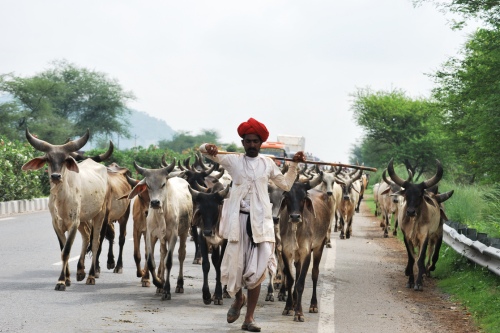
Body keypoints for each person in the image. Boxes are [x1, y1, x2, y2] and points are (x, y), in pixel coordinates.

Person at [200, 117, 305, 332]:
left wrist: (294, 165)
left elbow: (285, 183)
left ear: (260, 143)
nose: (251, 145)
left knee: (257, 272)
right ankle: (238, 299)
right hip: (238, 221)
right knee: (234, 269)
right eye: (247, 141)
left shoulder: (268, 164)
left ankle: (249, 319)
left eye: (255, 141)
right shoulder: (233, 161)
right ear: (242, 143)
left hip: (261, 223)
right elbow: (206, 151)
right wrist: (207, 147)